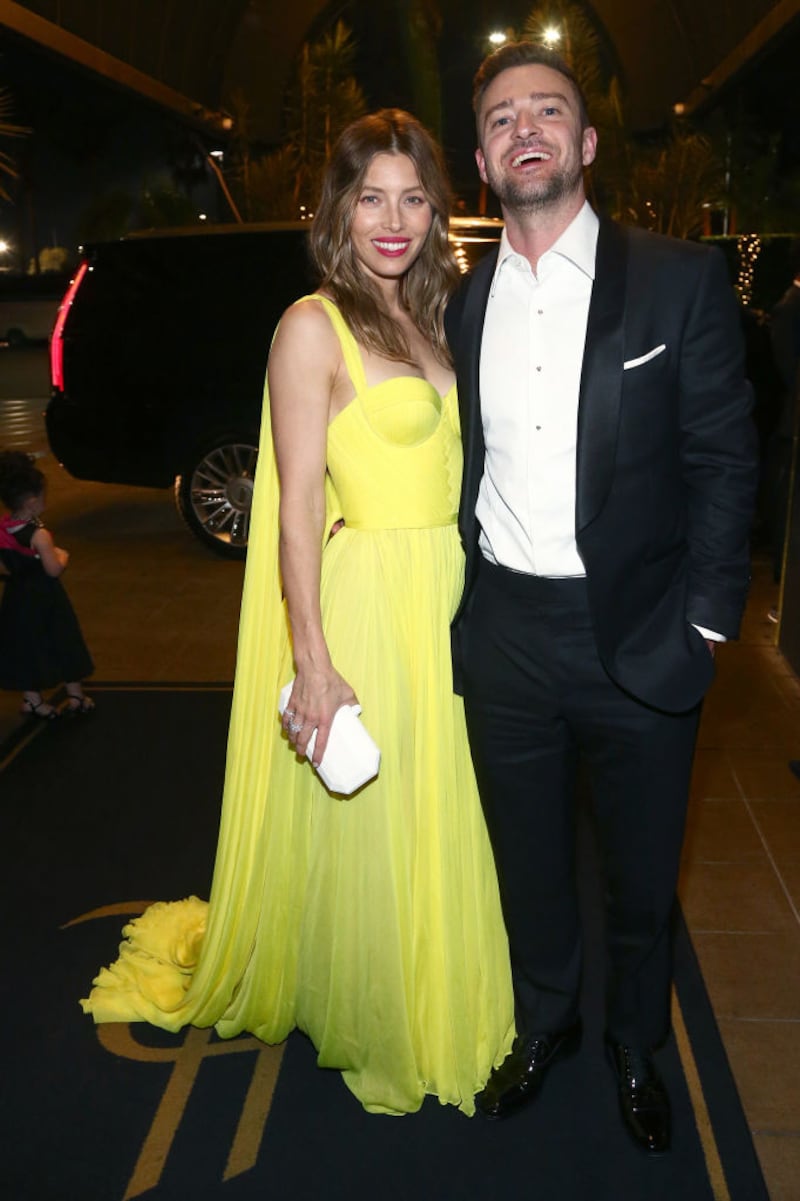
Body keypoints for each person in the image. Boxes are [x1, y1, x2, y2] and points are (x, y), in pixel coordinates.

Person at [81, 109, 514, 1116]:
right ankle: (386, 1006)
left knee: (442, 805)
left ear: (435, 208)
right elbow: (293, 510)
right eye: (372, 198)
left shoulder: (439, 314)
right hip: (368, 599)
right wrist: (311, 659)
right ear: (338, 211)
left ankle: (436, 974)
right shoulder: (309, 326)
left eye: (412, 197)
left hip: (454, 598)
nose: (393, 219)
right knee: (378, 815)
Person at [445, 43, 757, 1151]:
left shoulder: (675, 279)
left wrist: (706, 622)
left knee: (639, 878)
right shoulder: (464, 302)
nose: (521, 128)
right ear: (482, 161)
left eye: (545, 111)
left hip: (639, 635)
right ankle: (547, 1024)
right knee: (526, 866)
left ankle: (634, 1038)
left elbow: (726, 461)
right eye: (498, 118)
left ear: (581, 145)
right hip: (506, 641)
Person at [0, 450, 94, 717]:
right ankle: (76, 695)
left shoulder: (4, 528)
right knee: (63, 639)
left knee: (27, 647)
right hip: (46, 597)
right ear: (31, 501)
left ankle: (32, 699)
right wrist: (62, 555)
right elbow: (53, 569)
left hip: (17, 597)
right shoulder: (39, 534)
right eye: (43, 495)